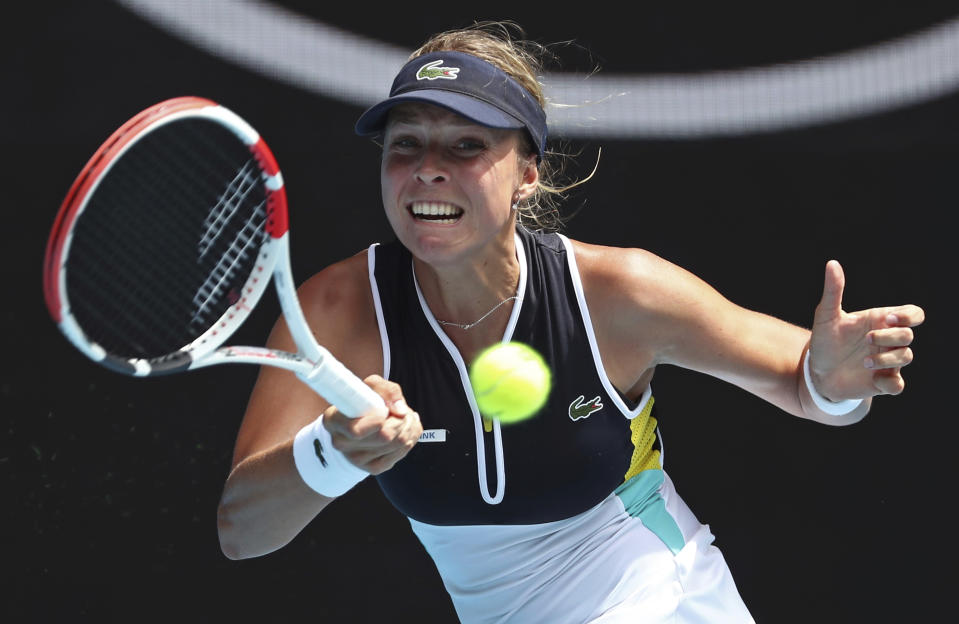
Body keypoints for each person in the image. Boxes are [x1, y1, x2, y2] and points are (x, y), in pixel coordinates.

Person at [216, 21, 924, 623]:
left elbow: (807, 386)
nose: (427, 169)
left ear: (526, 173)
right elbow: (242, 532)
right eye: (406, 143)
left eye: (466, 146)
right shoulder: (338, 311)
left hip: (656, 593)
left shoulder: (619, 293)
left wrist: (832, 378)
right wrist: (330, 453)